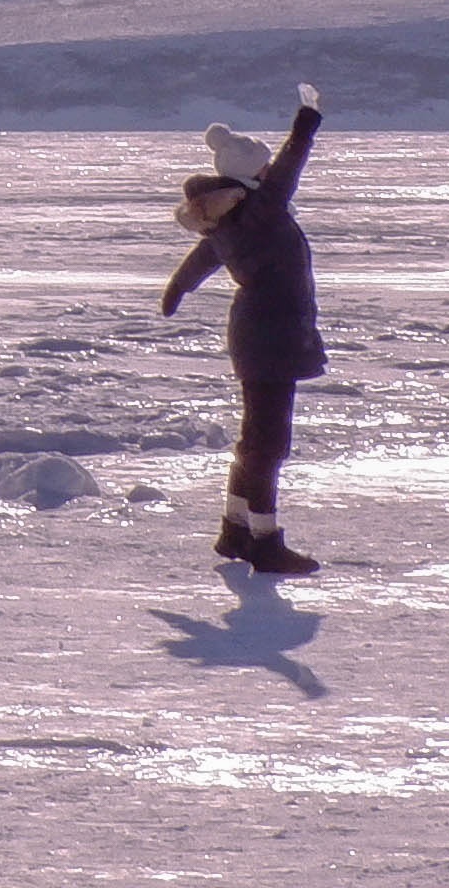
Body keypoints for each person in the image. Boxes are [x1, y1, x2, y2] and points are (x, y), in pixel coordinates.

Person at [160, 80, 329, 575]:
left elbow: (201, 258)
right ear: (248, 175)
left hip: (260, 334)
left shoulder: (233, 219)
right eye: (259, 166)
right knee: (268, 444)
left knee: (256, 439)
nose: (266, 170)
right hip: (271, 337)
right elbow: (289, 166)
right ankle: (264, 540)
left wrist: (176, 291)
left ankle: (234, 530)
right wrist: (306, 121)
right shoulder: (260, 210)